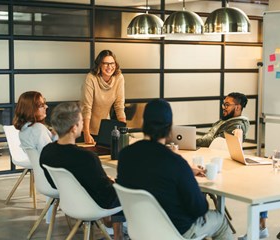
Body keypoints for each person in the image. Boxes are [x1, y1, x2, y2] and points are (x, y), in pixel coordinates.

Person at [117, 99, 232, 240]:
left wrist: (186, 173)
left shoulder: (125, 155)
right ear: (170, 128)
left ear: (143, 123)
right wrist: (187, 175)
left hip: (141, 229)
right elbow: (199, 208)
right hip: (176, 231)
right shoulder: (175, 163)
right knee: (220, 221)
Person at [39, 102, 124, 240]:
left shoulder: (47, 152)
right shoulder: (86, 157)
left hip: (70, 204)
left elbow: (55, 184)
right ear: (74, 128)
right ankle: (119, 234)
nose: (84, 124)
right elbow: (107, 195)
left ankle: (115, 230)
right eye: (81, 121)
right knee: (130, 192)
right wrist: (115, 183)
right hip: (93, 205)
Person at [81, 50, 126, 144]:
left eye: (112, 63)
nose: (109, 67)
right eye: (105, 63)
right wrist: (86, 133)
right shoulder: (91, 78)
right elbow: (86, 108)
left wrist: (124, 130)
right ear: (99, 65)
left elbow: (119, 106)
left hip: (104, 129)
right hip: (86, 128)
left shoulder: (119, 77)